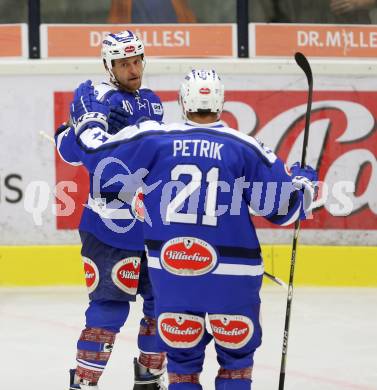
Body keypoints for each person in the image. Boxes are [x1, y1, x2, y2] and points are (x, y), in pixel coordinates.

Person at [66, 69, 318, 389]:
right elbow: (285, 210)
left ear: (182, 102)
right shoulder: (246, 147)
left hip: (174, 278)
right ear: (221, 102)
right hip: (233, 280)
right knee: (235, 365)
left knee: (183, 367)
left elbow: (97, 159)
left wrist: (88, 121)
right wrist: (305, 182)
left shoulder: (154, 140)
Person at [55, 30, 166, 390]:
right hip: (110, 228)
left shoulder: (153, 104)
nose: (133, 70)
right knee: (108, 309)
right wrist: (75, 130)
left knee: (161, 306)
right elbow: (71, 152)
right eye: (123, 63)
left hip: (151, 227)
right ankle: (84, 383)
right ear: (109, 66)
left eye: (136, 61)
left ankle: (149, 379)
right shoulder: (99, 97)